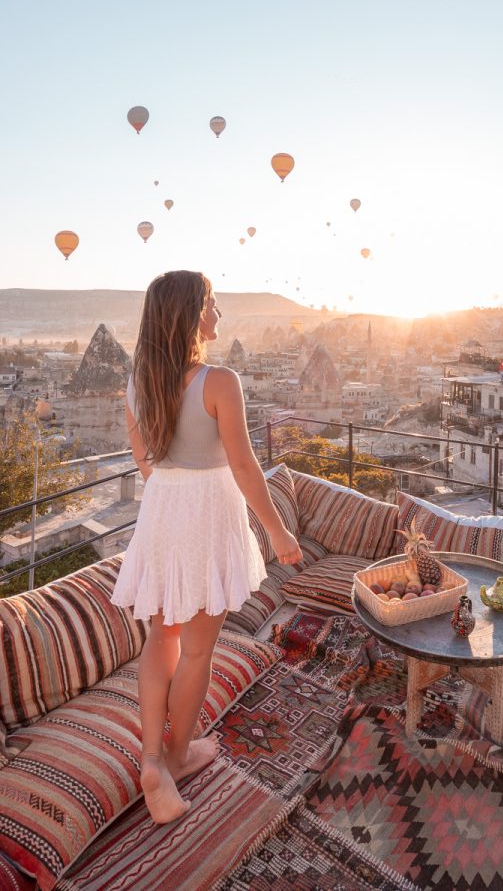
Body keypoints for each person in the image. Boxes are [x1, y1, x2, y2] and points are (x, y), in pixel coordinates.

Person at [111, 270, 302, 824]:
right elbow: (244, 465)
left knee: (160, 636)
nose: (219, 312)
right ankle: (177, 754)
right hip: (206, 516)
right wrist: (277, 529)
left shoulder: (136, 384)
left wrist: (175, 490)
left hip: (163, 513)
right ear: (194, 313)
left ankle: (151, 758)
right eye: (213, 303)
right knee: (197, 649)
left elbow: (146, 466)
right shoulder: (220, 381)